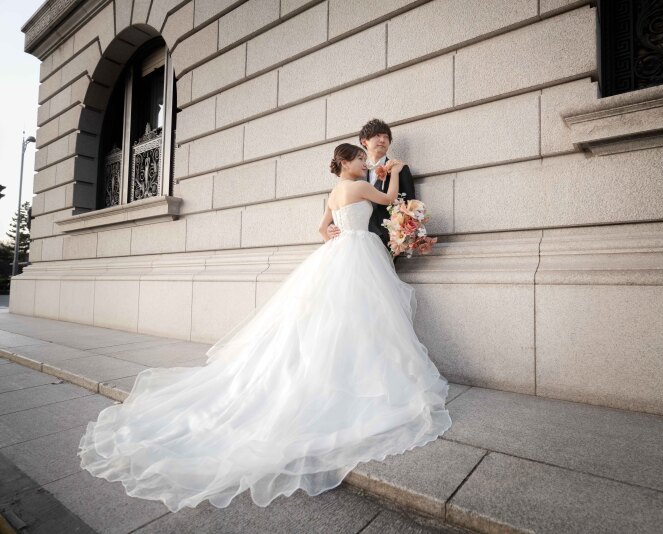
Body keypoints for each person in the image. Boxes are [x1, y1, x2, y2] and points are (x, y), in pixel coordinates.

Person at [77, 143, 452, 513]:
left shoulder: (335, 193)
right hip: (359, 253)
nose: (362, 162)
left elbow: (322, 228)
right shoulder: (358, 187)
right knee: (362, 318)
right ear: (346, 163)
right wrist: (397, 172)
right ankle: (362, 376)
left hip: (336, 255)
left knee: (333, 320)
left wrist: (336, 240)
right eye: (358, 158)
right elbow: (388, 199)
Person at [327, 119, 415, 257]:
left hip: (387, 242)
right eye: (377, 136)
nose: (382, 140)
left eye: (386, 137)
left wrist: (401, 238)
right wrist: (331, 227)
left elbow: (410, 205)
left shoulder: (400, 169)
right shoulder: (355, 173)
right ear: (364, 141)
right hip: (355, 245)